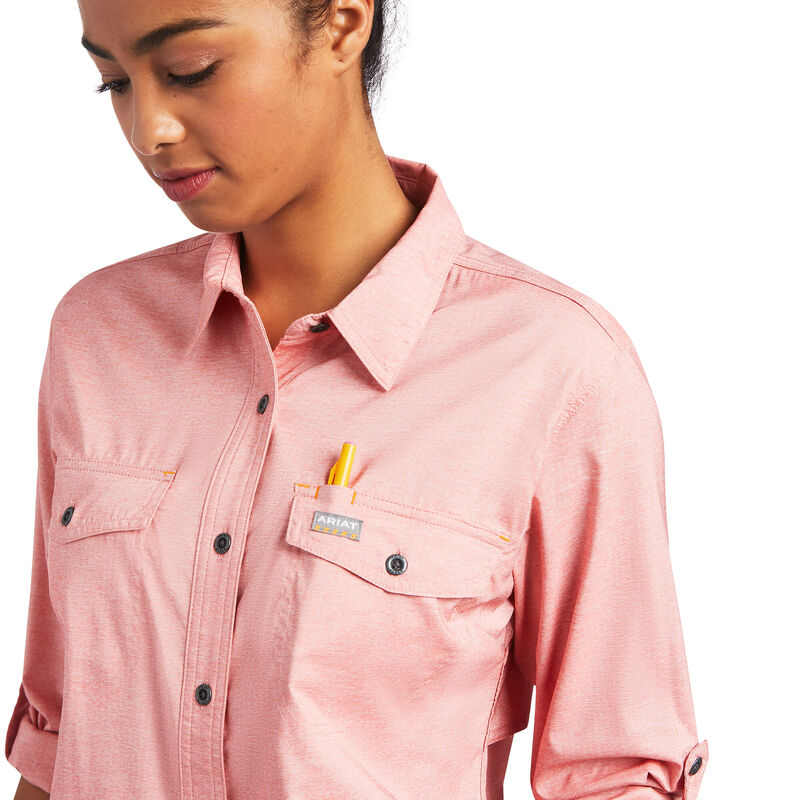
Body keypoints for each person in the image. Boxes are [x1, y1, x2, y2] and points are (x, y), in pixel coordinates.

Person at [6, 1, 709, 799]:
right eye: (115, 83)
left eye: (189, 71)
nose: (150, 130)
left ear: (342, 22)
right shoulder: (98, 334)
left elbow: (614, 773)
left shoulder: (555, 368)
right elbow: (56, 741)